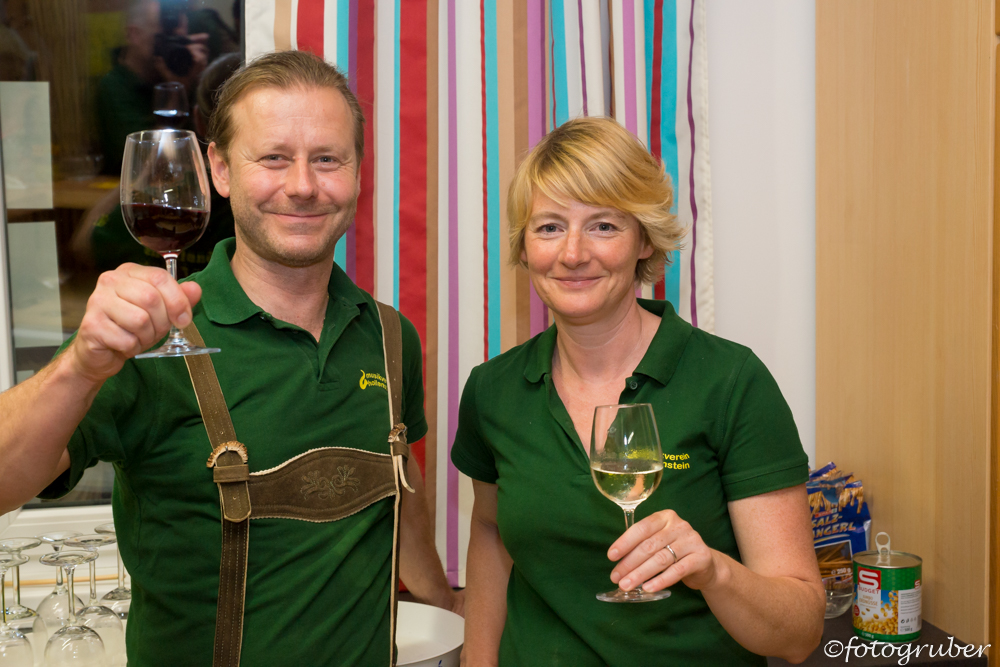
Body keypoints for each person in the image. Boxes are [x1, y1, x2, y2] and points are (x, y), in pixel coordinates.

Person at [0, 50, 459, 666]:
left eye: (328, 159)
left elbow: (403, 483)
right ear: (218, 168)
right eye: (273, 158)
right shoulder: (147, 339)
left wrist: (447, 604)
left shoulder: (389, 336)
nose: (303, 185)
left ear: (358, 170)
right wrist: (79, 367)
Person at [451, 116, 824, 666]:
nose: (573, 253)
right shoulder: (493, 390)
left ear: (644, 239)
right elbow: (489, 530)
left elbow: (799, 633)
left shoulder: (730, 382)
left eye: (603, 226)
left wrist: (713, 571)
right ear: (524, 248)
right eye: (549, 227)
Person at [96, 0, 209, 175]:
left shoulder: (187, 74)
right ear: (134, 34)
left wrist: (202, 81)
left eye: (179, 39)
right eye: (164, 38)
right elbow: (142, 163)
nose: (172, 46)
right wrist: (177, 91)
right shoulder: (114, 86)